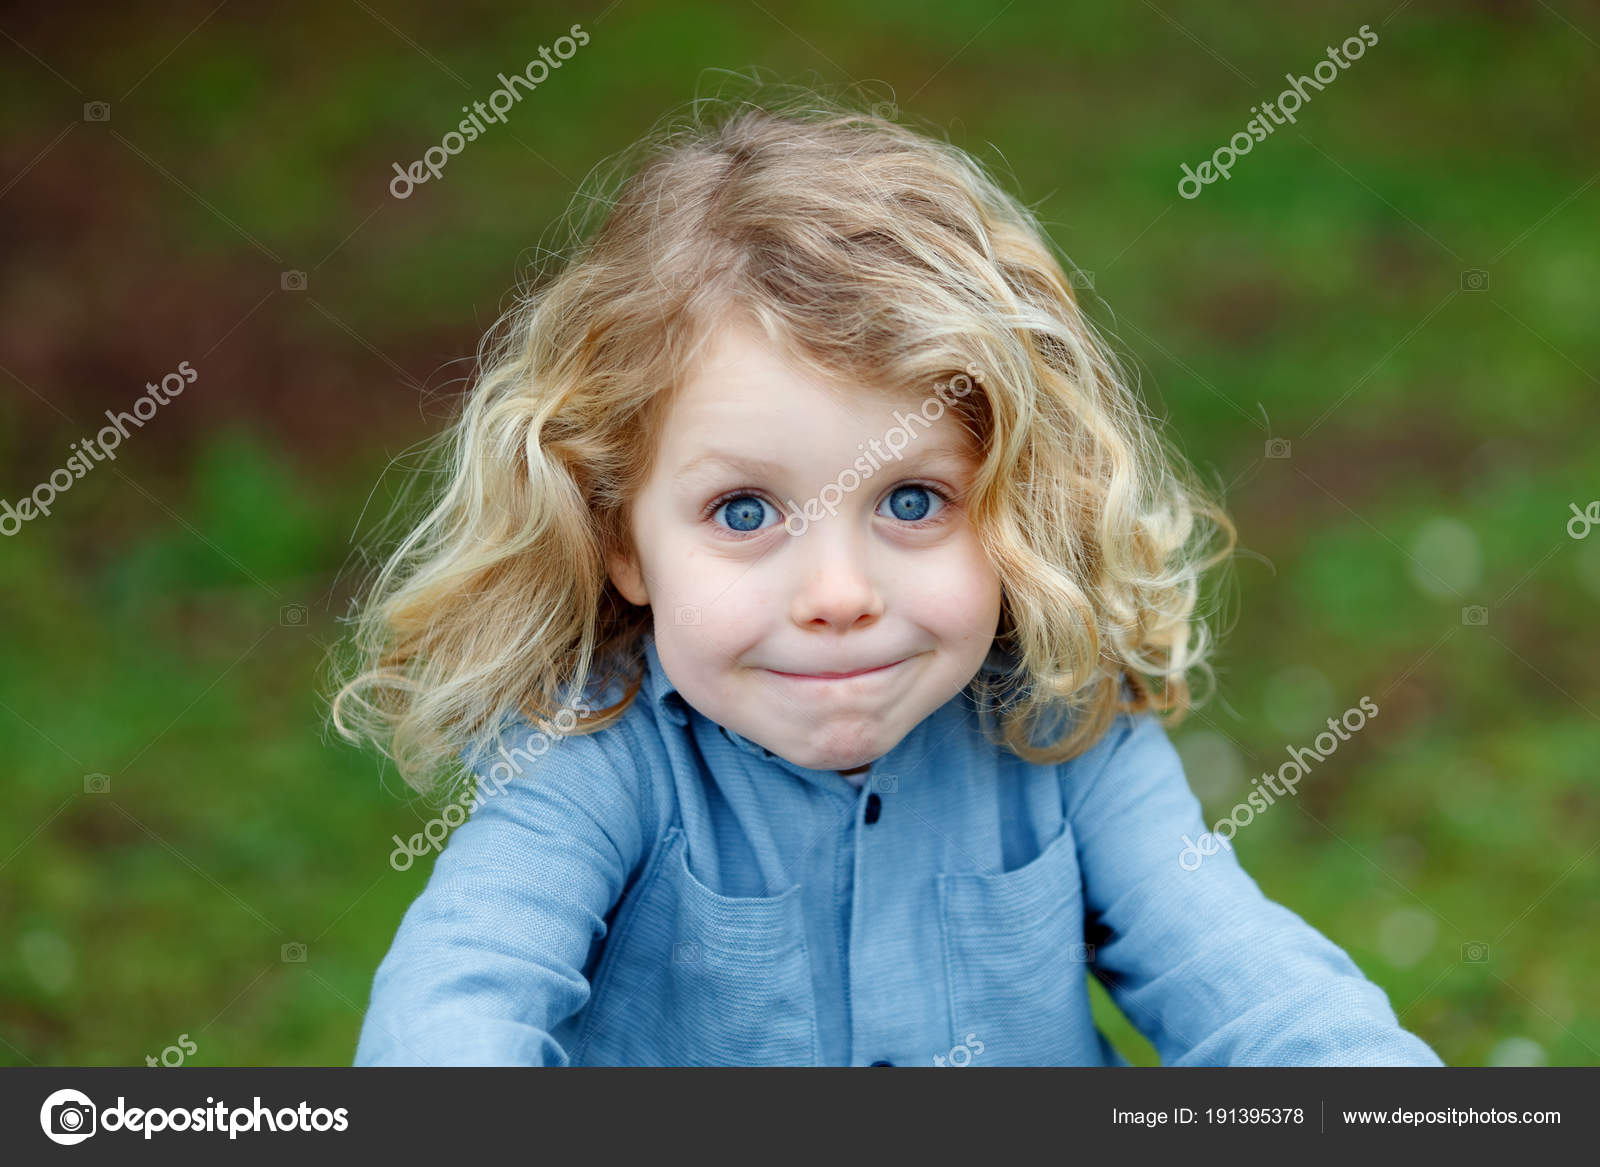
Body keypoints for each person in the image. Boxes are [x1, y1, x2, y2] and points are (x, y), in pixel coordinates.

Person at [331, 89, 1443, 1067]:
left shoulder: (1063, 733)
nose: (837, 592)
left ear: (1016, 504)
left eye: (910, 502)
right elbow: (456, 1003)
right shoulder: (588, 764)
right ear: (621, 538)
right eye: (744, 512)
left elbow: (1248, 985)